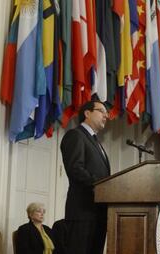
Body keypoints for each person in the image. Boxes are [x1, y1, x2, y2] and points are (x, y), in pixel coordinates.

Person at [60, 100, 111, 254]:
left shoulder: (97, 143)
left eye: (106, 113)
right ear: (87, 113)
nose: (106, 116)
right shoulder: (75, 135)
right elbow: (75, 168)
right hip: (82, 212)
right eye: (101, 111)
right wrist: (101, 185)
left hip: (99, 213)